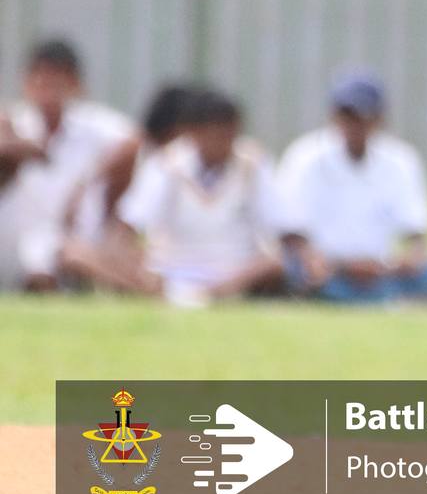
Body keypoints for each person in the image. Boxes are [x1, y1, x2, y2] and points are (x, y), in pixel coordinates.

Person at [274, 69, 427, 304]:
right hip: (328, 267)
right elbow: (289, 230)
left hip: (379, 269)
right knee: (299, 273)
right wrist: (320, 260)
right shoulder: (306, 156)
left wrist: (408, 261)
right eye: (346, 116)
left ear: (379, 119)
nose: (353, 125)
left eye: (361, 116)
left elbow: (417, 234)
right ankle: (385, 300)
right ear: (333, 116)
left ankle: (377, 297)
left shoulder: (400, 160)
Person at [113, 89, 284, 307]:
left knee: (275, 264)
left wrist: (240, 278)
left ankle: (208, 295)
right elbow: (130, 224)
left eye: (230, 134)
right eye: (217, 134)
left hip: (235, 272)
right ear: (193, 132)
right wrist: (138, 265)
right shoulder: (167, 164)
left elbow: (279, 227)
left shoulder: (253, 163)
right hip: (173, 269)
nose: (225, 142)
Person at [0, 38, 132, 293]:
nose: (46, 89)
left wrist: (87, 183)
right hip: (19, 236)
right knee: (56, 256)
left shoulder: (92, 124)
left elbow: (132, 142)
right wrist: (27, 149)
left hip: (74, 233)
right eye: (39, 79)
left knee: (80, 253)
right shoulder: (16, 121)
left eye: (55, 81)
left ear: (74, 84)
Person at [54, 81, 200, 293]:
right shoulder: (133, 150)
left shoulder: (174, 162)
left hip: (137, 241)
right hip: (101, 238)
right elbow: (109, 210)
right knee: (76, 256)